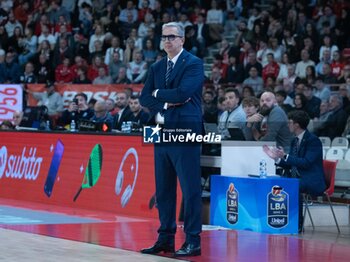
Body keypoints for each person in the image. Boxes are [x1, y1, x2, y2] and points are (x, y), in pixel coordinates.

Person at [140, 22, 204, 257]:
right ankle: (165, 238)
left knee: (190, 189)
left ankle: (193, 240)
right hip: (160, 131)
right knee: (164, 190)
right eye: (164, 36)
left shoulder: (194, 63)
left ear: (182, 40)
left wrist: (158, 94)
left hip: (186, 132)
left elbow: (184, 93)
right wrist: (164, 100)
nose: (167, 40)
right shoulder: (157, 66)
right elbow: (144, 97)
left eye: (172, 36)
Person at [263, 110, 326, 232]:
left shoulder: (313, 141)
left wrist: (285, 156)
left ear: (296, 124)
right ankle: (277, 220)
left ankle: (296, 224)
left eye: (290, 122)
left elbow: (306, 163)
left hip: (311, 179)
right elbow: (291, 164)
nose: (288, 125)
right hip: (296, 177)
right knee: (275, 184)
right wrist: (276, 158)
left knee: (293, 186)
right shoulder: (294, 140)